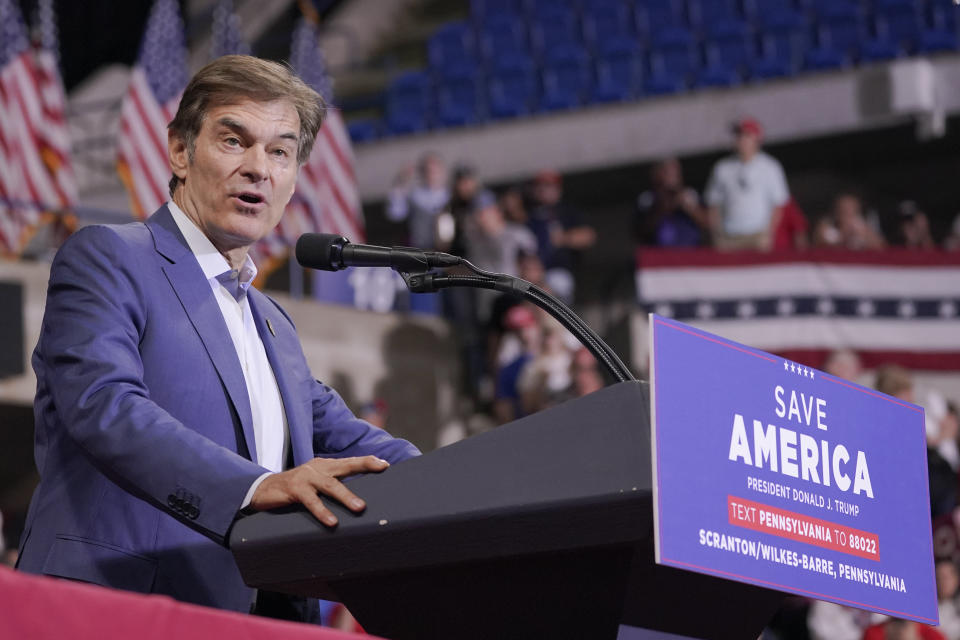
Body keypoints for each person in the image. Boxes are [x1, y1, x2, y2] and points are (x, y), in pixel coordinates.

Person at [16, 56, 419, 621]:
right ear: (180, 151)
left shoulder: (272, 321)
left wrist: (466, 482)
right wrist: (256, 488)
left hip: (257, 616)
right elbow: (105, 408)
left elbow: (352, 443)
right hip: (116, 605)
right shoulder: (110, 256)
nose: (259, 168)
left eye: (280, 151)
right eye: (235, 141)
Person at [704, 117, 789, 251]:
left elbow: (778, 205)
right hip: (729, 237)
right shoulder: (722, 168)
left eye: (746, 134)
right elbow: (713, 204)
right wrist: (717, 235)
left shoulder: (770, 167)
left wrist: (767, 235)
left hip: (758, 237)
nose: (741, 139)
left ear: (757, 139)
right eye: (738, 134)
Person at [526, 170, 596, 302]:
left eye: (548, 185)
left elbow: (588, 236)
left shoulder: (566, 211)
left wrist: (563, 238)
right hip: (533, 274)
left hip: (559, 272)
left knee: (557, 289)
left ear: (557, 189)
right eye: (538, 185)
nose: (542, 190)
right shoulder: (529, 215)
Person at [635, 157, 708, 248]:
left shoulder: (690, 194)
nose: (673, 175)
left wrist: (689, 207)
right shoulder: (647, 199)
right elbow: (640, 231)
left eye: (676, 171)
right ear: (656, 173)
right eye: (667, 171)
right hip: (658, 256)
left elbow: (707, 223)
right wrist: (663, 208)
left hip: (689, 253)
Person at [386, 151, 449, 249]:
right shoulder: (414, 196)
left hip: (448, 250)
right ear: (422, 173)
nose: (432, 175)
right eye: (428, 171)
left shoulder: (450, 195)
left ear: (442, 171)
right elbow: (395, 213)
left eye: (435, 171)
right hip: (421, 249)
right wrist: (401, 182)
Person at [813, 193, 886, 250]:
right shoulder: (827, 224)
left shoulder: (862, 226)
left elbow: (881, 246)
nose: (847, 213)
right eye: (844, 210)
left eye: (851, 210)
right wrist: (844, 234)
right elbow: (818, 243)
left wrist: (863, 233)